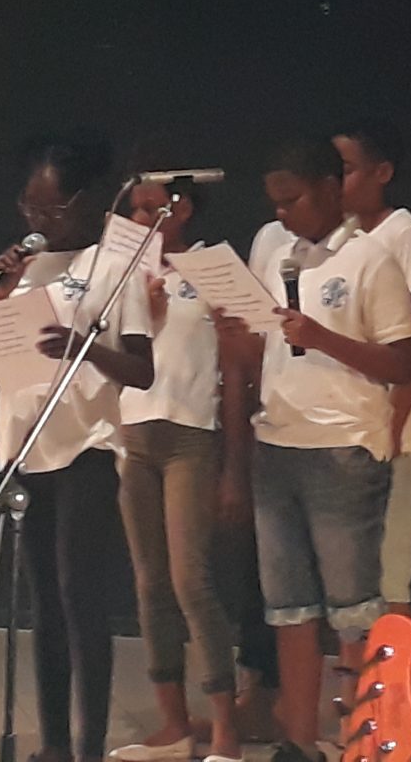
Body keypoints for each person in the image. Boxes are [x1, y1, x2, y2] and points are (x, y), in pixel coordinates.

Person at [217, 137, 411, 762]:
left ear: (331, 189)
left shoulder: (371, 259)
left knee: (354, 610)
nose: (282, 214)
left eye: (293, 200)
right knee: (289, 609)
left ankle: (364, 742)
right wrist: (235, 336)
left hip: (343, 450)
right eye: (275, 204)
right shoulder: (279, 257)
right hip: (278, 444)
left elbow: (403, 361)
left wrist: (323, 337)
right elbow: (267, 356)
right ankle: (299, 743)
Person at [0, 132, 155, 762]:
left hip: (87, 445)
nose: (38, 220)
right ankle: (53, 746)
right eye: (29, 207)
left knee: (80, 598)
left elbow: (142, 369)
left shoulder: (115, 263)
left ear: (86, 200)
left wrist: (84, 349)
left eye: (52, 208)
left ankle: (89, 745)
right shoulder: (21, 270)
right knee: (43, 603)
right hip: (25, 445)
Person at [108, 174, 243, 762]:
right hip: (134, 435)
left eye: (150, 209)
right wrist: (147, 314)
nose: (140, 220)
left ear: (181, 208)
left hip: (191, 435)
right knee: (150, 582)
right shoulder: (120, 274)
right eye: (133, 210)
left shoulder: (214, 268)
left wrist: (234, 465)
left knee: (191, 580)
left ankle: (225, 731)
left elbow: (237, 365)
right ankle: (173, 724)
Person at [332, 118, 411, 617]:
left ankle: (398, 667)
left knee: (390, 563)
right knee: (360, 569)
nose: (337, 180)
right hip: (362, 424)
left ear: (382, 172)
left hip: (404, 426)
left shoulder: (406, 234)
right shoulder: (342, 238)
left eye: (347, 169)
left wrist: (396, 420)